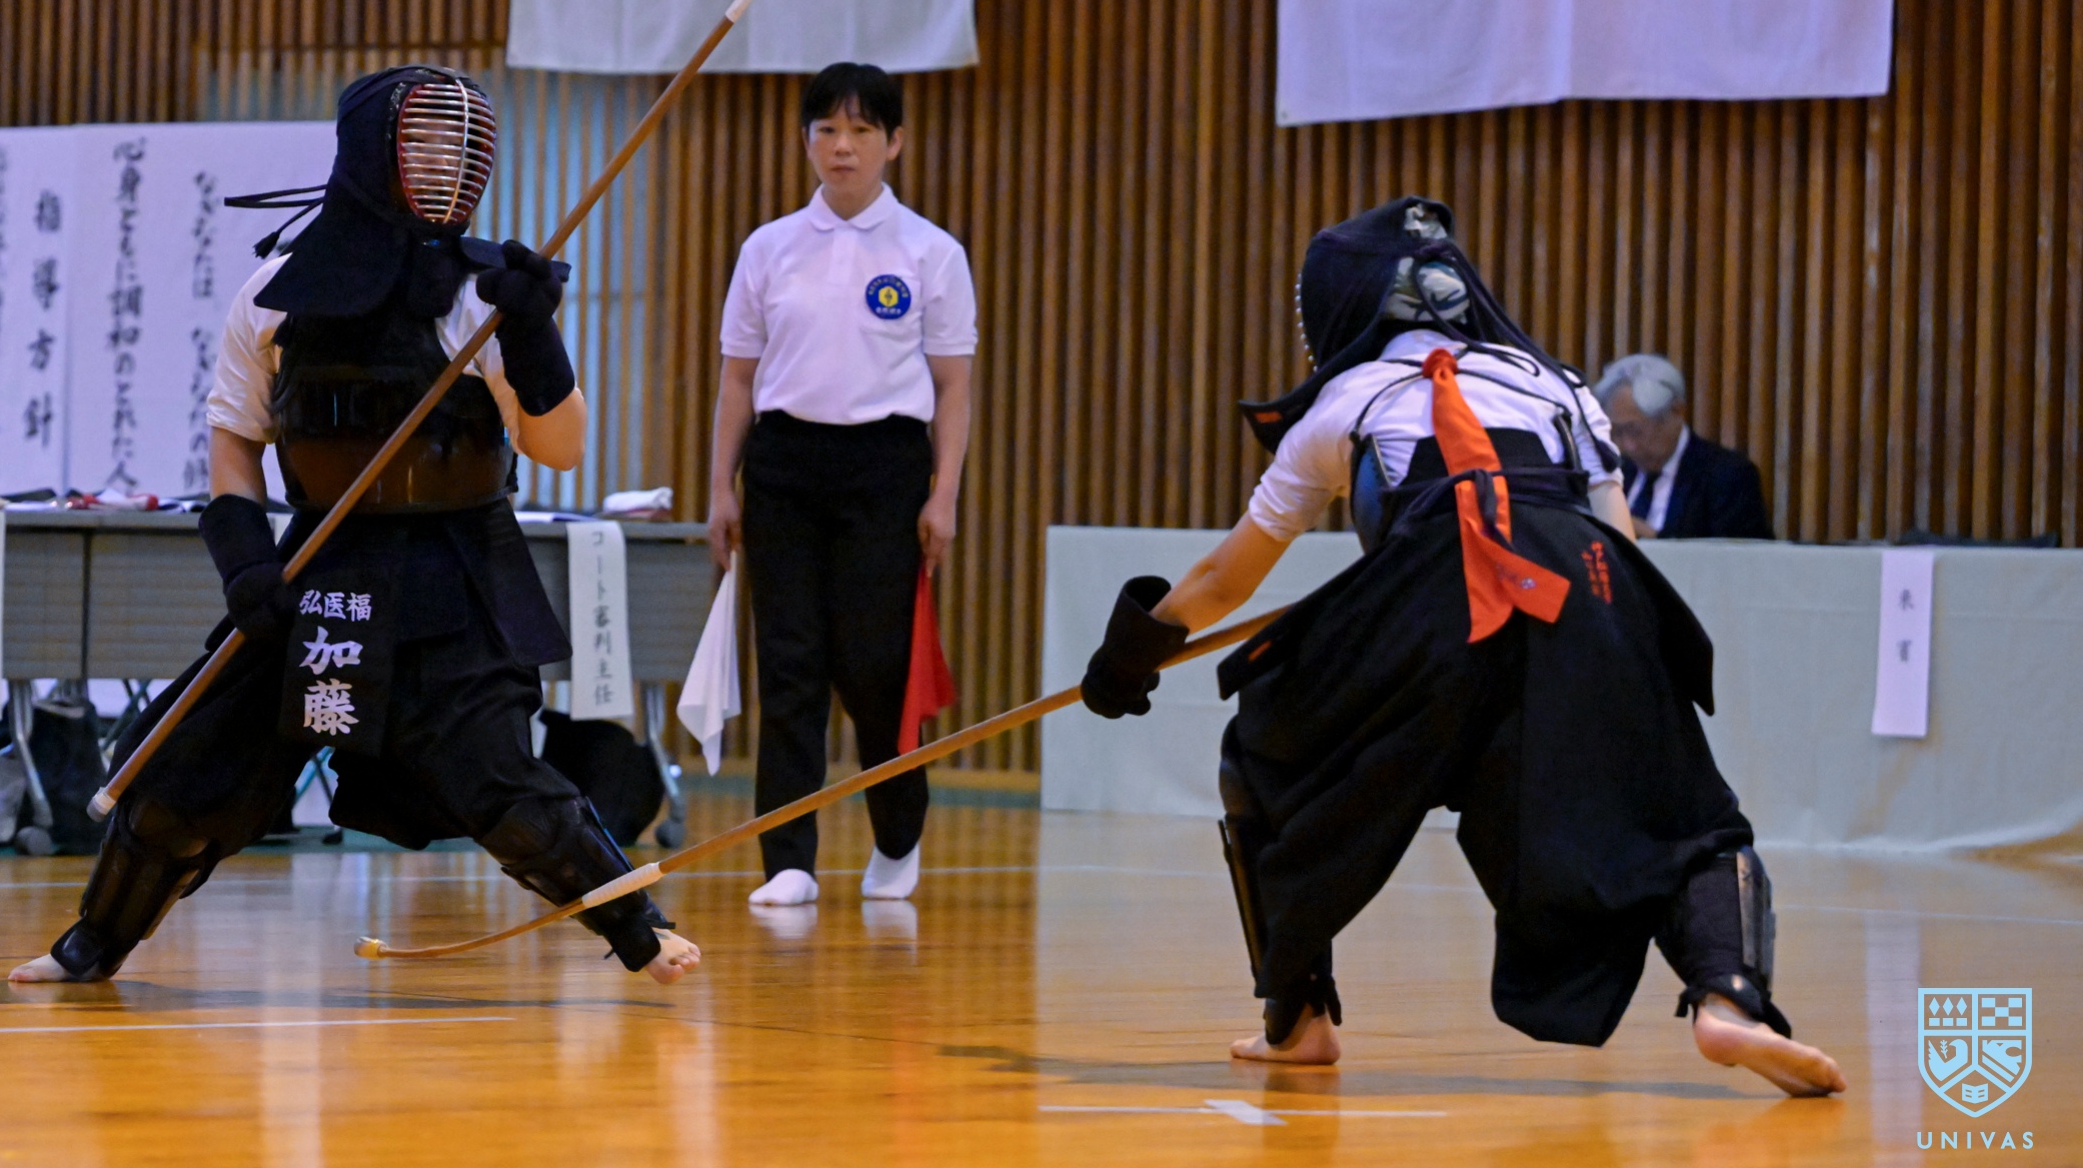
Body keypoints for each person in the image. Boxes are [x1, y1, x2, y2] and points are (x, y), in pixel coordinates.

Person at [1078, 197, 1845, 1097]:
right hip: (1582, 592)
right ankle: (1729, 1000)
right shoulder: (1558, 386)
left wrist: (1127, 658)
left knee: (1260, 752)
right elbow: (1619, 545)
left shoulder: (1348, 398)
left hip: (1426, 599)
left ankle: (1297, 1017)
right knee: (1689, 816)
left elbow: (1221, 582)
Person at [10, 65, 696, 986]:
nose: (445, 163)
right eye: (423, 142)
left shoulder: (482, 295)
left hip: (454, 574)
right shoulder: (273, 294)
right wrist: (246, 566)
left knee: (501, 783)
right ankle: (93, 943)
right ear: (370, 152)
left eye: (459, 145)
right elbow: (233, 443)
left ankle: (637, 928)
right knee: (185, 777)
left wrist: (533, 335)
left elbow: (560, 447)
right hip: (322, 571)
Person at [705, 62, 975, 908]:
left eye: (861, 130)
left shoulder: (931, 252)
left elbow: (954, 387)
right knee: (788, 663)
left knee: (874, 666)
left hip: (884, 469)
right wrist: (721, 487)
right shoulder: (768, 248)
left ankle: (896, 837)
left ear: (894, 142)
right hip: (783, 466)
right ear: (806, 142)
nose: (842, 147)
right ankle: (787, 859)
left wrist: (943, 492)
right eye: (826, 130)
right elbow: (737, 380)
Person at [1593, 353, 1774, 539]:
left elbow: (1740, 554)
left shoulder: (1727, 477)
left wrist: (1648, 536)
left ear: (1677, 412)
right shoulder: (1613, 473)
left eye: (1636, 431)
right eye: (1617, 432)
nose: (1628, 446)